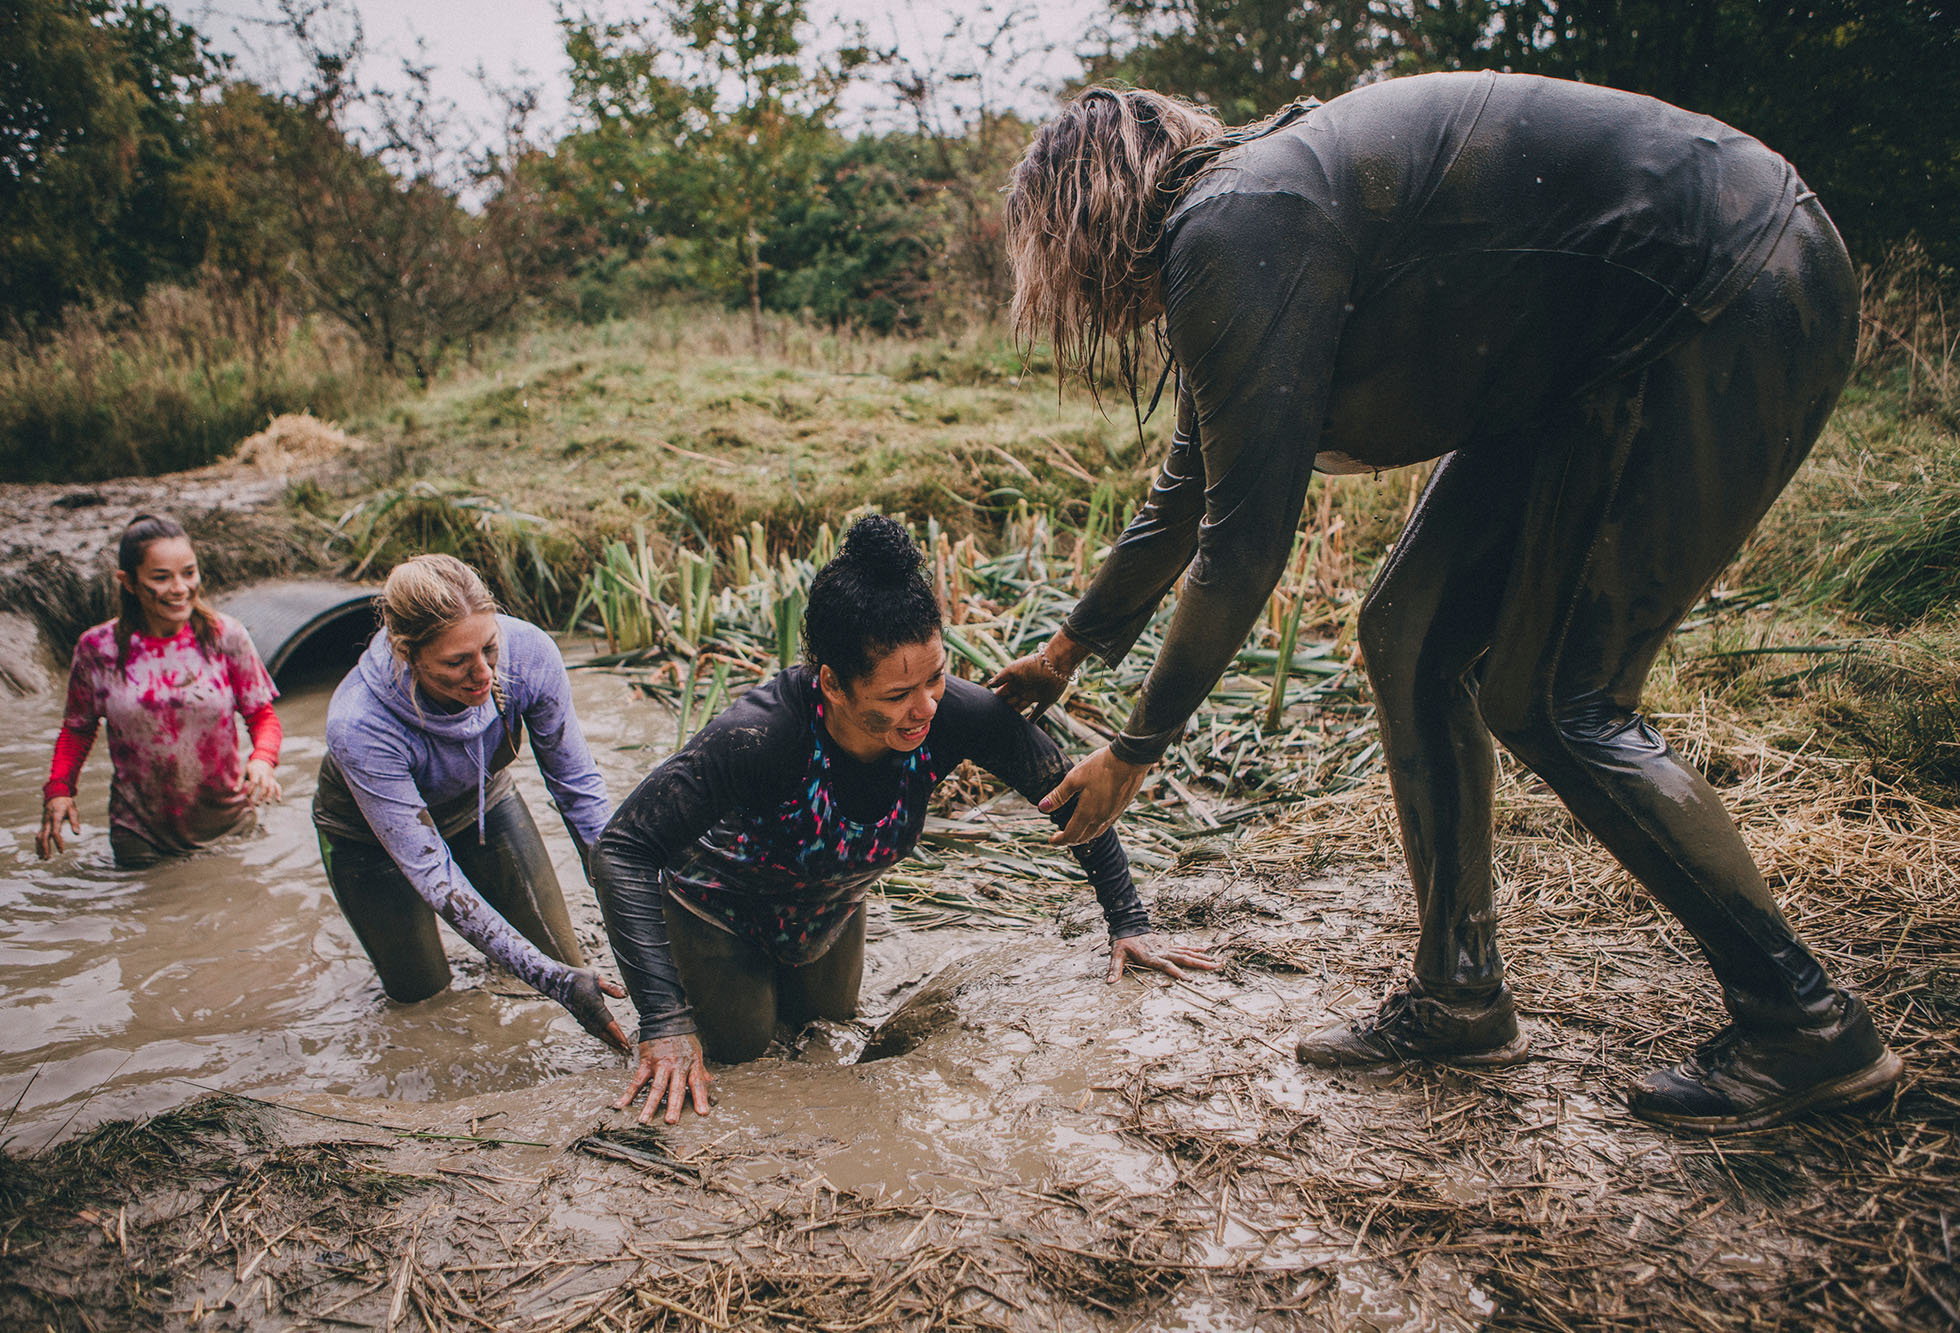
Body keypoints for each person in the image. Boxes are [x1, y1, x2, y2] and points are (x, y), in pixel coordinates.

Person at [991, 72, 1901, 1133]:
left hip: (1723, 285)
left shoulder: (1234, 223)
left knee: (1559, 696)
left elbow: (1241, 546)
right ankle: (1458, 992)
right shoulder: (1240, 230)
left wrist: (1135, 750)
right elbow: (1187, 493)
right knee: (1411, 632)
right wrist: (1063, 652)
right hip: (1581, 354)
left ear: (1084, 218)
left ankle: (1804, 1025)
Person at [591, 515, 1220, 1124]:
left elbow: (1070, 794)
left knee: (831, 1037)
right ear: (834, 684)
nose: (923, 710)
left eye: (936, 679)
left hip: (828, 910)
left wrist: (1129, 923)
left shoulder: (953, 716)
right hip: (718, 913)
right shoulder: (760, 736)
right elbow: (621, 849)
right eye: (895, 696)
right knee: (750, 1057)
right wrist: (665, 1021)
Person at [313, 554, 629, 1051]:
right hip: (368, 843)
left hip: (484, 803)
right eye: (457, 662)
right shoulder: (359, 723)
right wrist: (552, 981)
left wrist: (634, 902)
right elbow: (433, 875)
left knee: (567, 959)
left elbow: (578, 790)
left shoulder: (527, 653)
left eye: (488, 649)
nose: (482, 674)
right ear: (406, 653)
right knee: (423, 1001)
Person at [37, 513, 282, 867]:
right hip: (140, 834)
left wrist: (263, 759)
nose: (180, 588)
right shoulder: (98, 650)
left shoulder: (224, 636)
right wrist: (60, 791)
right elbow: (78, 730)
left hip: (229, 825)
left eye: (189, 572)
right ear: (129, 582)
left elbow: (261, 714)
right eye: (161, 577)